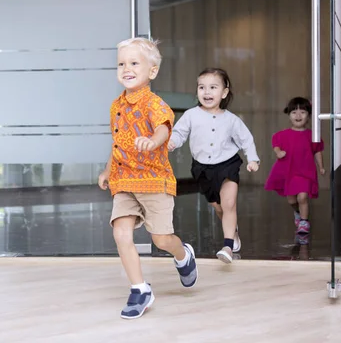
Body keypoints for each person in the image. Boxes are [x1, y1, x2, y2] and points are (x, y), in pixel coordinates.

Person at [98, 37, 198, 320]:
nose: (126, 69)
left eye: (133, 63)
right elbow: (117, 143)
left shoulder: (155, 104)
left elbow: (164, 129)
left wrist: (154, 141)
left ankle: (183, 255)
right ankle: (140, 289)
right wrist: (108, 170)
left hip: (154, 181)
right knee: (121, 233)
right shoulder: (116, 106)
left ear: (151, 71)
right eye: (121, 64)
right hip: (124, 181)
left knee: (162, 239)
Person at [167, 68, 260, 264]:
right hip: (203, 168)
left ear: (224, 93)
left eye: (212, 87)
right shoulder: (191, 115)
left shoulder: (231, 119)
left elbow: (246, 139)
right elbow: (179, 132)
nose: (207, 92)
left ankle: (227, 245)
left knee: (229, 204)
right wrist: (172, 141)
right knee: (218, 207)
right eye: (202, 87)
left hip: (227, 164)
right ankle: (232, 230)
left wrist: (252, 159)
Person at [264, 97, 325, 234]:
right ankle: (297, 212)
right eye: (294, 112)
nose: (298, 115)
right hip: (288, 171)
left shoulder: (312, 135)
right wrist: (279, 152)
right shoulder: (282, 135)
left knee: (302, 197)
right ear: (289, 115)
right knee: (291, 199)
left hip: (305, 171)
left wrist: (321, 166)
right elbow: (276, 146)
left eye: (302, 112)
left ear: (308, 115)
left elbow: (317, 151)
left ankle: (304, 222)